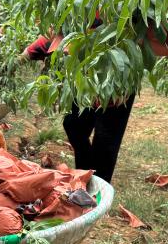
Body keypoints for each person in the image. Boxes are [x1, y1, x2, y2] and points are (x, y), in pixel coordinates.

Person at [21, 24, 133, 183]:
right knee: (73, 125)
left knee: (105, 140)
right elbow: (58, 32)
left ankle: (98, 187)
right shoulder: (78, 18)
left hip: (115, 78)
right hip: (85, 77)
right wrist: (26, 54)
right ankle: (84, 173)